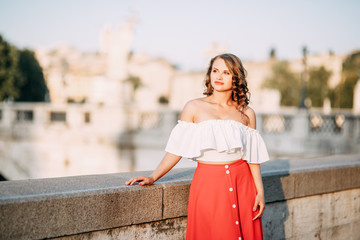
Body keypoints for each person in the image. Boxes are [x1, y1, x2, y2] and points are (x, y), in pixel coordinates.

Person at [126, 53, 270, 240]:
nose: (218, 77)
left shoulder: (247, 113)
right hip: (208, 184)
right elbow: (176, 150)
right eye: (215, 71)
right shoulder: (193, 107)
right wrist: (153, 176)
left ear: (236, 78)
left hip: (243, 185)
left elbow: (252, 157)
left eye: (226, 72)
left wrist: (259, 191)